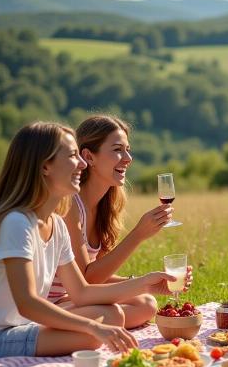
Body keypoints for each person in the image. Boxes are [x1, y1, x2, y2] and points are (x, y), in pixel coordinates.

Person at [0, 122, 178, 364]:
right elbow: (27, 303)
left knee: (108, 317)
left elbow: (81, 292)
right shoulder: (16, 222)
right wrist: (91, 328)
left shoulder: (56, 225)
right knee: (101, 327)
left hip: (18, 326)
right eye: (72, 155)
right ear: (45, 166)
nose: (81, 164)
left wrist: (147, 284)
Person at [47, 115, 183, 329]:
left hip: (74, 298)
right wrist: (138, 235)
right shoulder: (71, 206)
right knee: (114, 313)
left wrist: (147, 282)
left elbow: (98, 277)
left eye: (128, 149)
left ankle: (88, 328)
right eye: (118, 149)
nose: (128, 158)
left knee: (147, 303)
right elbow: (88, 280)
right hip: (51, 303)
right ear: (88, 157)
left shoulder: (105, 206)